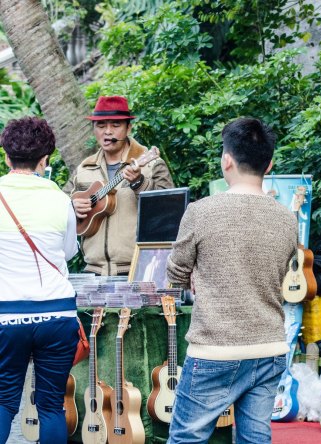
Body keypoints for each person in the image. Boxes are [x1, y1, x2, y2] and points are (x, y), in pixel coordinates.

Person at [166, 117, 297, 443]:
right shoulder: (287, 217)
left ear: (227, 160)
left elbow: (175, 274)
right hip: (269, 346)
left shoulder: (201, 211)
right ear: (270, 163)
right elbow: (277, 273)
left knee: (187, 438)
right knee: (255, 438)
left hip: (215, 348)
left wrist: (194, 278)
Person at [0, 117, 79, 443]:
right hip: (58, 315)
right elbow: (69, 251)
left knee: (4, 401)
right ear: (45, 159)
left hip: (7, 313)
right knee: (50, 406)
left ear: (6, 156)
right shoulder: (60, 200)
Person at [64, 95, 174, 275]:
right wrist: (71, 207)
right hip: (92, 272)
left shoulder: (151, 164)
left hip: (138, 270)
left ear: (128, 128)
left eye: (115, 125)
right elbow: (59, 206)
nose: (108, 132)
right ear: (94, 129)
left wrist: (140, 183)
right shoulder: (84, 168)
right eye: (101, 125)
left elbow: (169, 212)